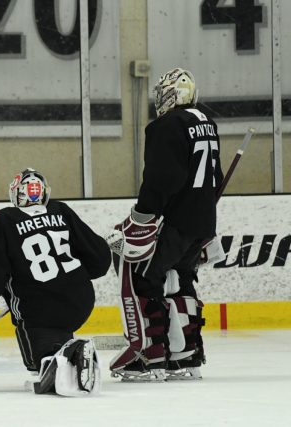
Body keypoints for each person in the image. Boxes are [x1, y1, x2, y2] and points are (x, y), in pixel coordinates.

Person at [106, 67, 223, 381]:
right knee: (181, 280)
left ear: (172, 94)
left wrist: (142, 216)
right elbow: (216, 178)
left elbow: (163, 179)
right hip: (202, 223)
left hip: (172, 221)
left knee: (144, 279)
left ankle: (149, 357)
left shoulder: (165, 125)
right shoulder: (206, 123)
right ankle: (187, 356)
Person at [0, 168, 111, 396]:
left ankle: (71, 352)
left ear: (15, 194)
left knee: (43, 365)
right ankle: (69, 350)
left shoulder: (1, 221)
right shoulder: (61, 211)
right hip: (80, 300)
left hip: (39, 310)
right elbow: (99, 261)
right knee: (53, 338)